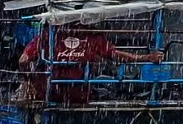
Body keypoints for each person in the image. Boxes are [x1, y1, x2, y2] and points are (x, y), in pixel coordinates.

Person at [17, 27, 162, 104]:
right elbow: (116, 55)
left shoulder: (49, 35)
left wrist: (29, 81)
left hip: (51, 94)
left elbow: (23, 60)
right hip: (77, 95)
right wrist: (145, 58)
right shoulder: (91, 37)